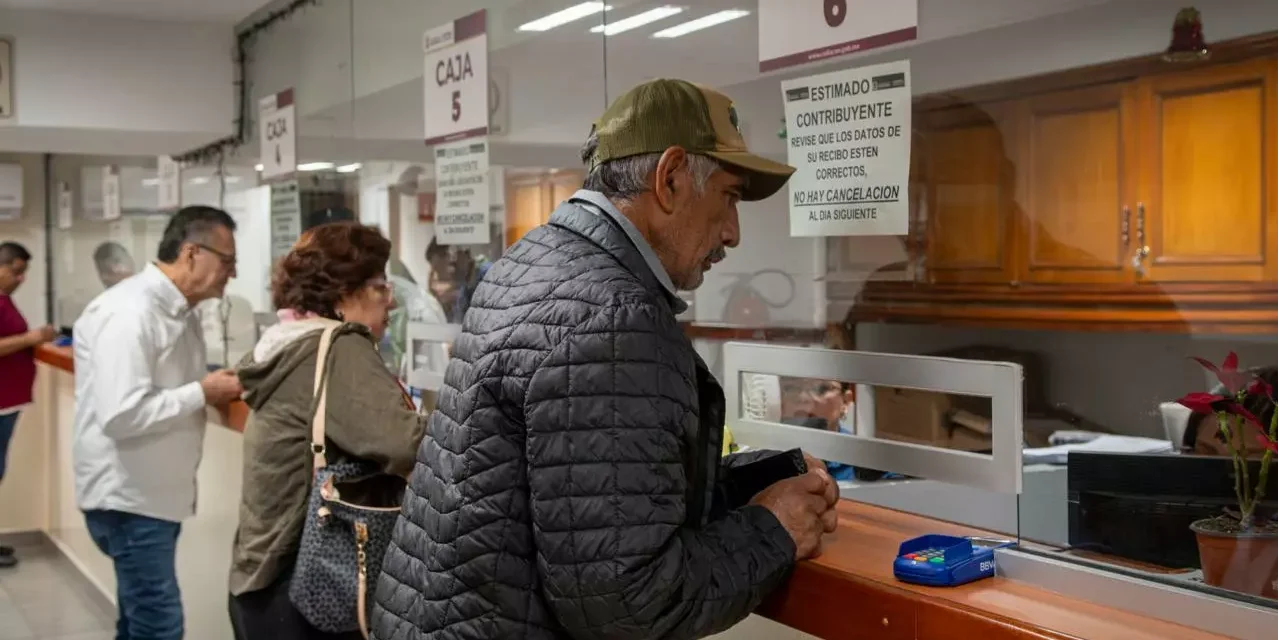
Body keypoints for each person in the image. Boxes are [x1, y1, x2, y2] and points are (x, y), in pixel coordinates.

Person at [374, 79, 839, 640]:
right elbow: (631, 603)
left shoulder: (533, 263)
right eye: (730, 197)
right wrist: (775, 527)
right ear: (669, 180)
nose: (733, 234)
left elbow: (586, 490)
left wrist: (761, 481)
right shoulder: (615, 315)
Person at [228, 222, 426, 639]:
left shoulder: (286, 343)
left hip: (260, 579)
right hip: (308, 582)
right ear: (342, 294)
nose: (390, 302)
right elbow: (403, 443)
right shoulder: (338, 345)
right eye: (379, 287)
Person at [72, 205, 244, 640]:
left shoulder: (179, 312)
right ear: (191, 252)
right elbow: (121, 415)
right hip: (128, 501)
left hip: (151, 498)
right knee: (159, 626)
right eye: (227, 261)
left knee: (138, 621)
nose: (233, 274)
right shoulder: (130, 313)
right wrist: (202, 392)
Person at [0, 242, 54, 569]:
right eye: (15, 271)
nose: (21, 279)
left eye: (24, 273)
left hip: (8, 403)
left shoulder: (5, 300)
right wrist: (32, 338)